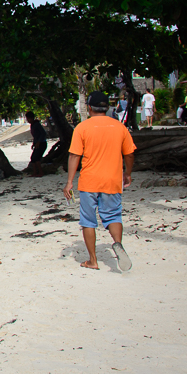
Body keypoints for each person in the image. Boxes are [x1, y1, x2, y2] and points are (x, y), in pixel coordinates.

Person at [63, 91, 136, 272]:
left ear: (89, 108)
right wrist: (127, 173)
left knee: (88, 221)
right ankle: (117, 244)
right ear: (108, 107)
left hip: (89, 181)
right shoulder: (119, 127)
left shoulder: (82, 127)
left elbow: (74, 155)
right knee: (113, 216)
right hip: (112, 179)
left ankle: (93, 261)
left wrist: (69, 182)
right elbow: (129, 153)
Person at [25, 111, 47, 177]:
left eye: (28, 119)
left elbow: (43, 133)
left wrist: (38, 142)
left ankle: (40, 172)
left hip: (42, 144)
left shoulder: (37, 124)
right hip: (37, 143)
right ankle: (35, 172)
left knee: (36, 158)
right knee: (33, 158)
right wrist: (34, 143)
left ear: (31, 118)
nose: (28, 120)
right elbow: (35, 136)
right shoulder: (32, 125)